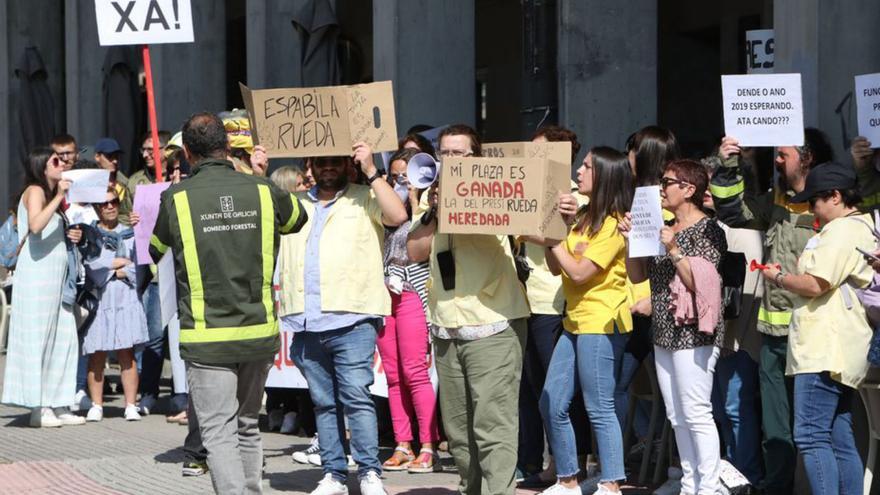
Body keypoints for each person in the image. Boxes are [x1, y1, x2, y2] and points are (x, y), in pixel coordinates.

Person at [149, 112, 307, 494]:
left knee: (218, 433)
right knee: (247, 425)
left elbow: (155, 250)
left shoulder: (176, 198)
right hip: (258, 331)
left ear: (186, 153)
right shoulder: (262, 190)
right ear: (229, 147)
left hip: (208, 336)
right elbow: (298, 218)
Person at [276, 142, 406, 495]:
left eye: (335, 161)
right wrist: (257, 170)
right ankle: (333, 473)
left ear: (347, 164)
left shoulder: (366, 196)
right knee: (324, 402)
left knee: (357, 397)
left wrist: (371, 170)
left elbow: (398, 216)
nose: (329, 167)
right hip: (306, 320)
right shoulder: (294, 204)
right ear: (310, 165)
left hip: (353, 319)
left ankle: (368, 472)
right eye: (322, 161)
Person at [407, 124, 531, 495]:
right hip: (447, 329)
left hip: (493, 325)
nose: (451, 160)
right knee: (459, 433)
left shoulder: (498, 193)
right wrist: (433, 211)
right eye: (445, 153)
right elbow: (415, 251)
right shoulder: (433, 199)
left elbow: (542, 232)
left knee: (492, 428)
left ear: (477, 159)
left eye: (459, 154)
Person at [710, 128, 832, 495]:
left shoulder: (829, 204)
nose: (776, 161)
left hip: (814, 334)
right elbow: (732, 210)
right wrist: (728, 162)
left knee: (817, 429)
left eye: (783, 154)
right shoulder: (774, 202)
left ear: (807, 158)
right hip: (774, 334)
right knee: (776, 426)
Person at [757, 161, 872, 495]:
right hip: (839, 346)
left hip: (824, 347)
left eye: (815, 201)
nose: (811, 209)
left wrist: (777, 276)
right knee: (838, 436)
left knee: (810, 435)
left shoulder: (842, 231)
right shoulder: (859, 228)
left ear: (835, 196)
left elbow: (815, 283)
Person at [621, 159, 727, 495]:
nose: (661, 188)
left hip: (695, 332)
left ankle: (709, 487)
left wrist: (672, 248)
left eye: (668, 182)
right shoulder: (663, 225)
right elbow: (639, 276)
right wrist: (630, 241)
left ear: (689, 190)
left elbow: (700, 283)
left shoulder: (710, 230)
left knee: (696, 411)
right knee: (676, 414)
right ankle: (689, 481)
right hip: (664, 330)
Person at [534, 147, 634, 495]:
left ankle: (612, 483)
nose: (579, 171)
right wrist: (555, 232)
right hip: (575, 321)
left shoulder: (614, 223)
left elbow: (578, 272)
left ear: (605, 175)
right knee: (551, 401)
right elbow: (554, 265)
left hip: (601, 322)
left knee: (599, 404)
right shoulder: (584, 216)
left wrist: (552, 238)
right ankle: (568, 479)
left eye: (587, 167)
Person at [518, 125, 591, 487]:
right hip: (522, 300)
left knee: (558, 392)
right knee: (533, 388)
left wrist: (513, 225)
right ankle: (547, 460)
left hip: (554, 302)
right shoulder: (523, 190)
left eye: (541, 152)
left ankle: (569, 465)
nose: (532, 158)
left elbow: (563, 239)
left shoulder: (578, 199)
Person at [1, 148, 86, 427]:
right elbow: (36, 225)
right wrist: (61, 196)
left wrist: (72, 232)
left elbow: (51, 230)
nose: (62, 164)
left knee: (63, 339)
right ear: (41, 166)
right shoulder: (36, 190)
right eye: (55, 161)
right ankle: (39, 407)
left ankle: (60, 402)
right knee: (41, 339)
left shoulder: (51, 197)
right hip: (37, 278)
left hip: (56, 278)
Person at [376, 147, 441, 474]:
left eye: (408, 176)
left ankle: (428, 445)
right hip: (385, 295)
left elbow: (420, 248)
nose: (402, 183)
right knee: (392, 373)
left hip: (414, 293)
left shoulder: (430, 210)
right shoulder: (381, 211)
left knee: (414, 371)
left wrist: (418, 203)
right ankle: (403, 443)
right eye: (396, 177)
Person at [80, 188, 147, 422]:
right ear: (97, 207)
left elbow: (139, 265)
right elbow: (90, 265)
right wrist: (116, 263)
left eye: (114, 202)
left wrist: (119, 271)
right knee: (97, 352)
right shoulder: (90, 234)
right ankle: (97, 405)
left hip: (126, 297)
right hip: (101, 298)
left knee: (127, 353)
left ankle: (130, 404)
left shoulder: (131, 233)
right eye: (105, 203)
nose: (110, 206)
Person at [130, 130, 171, 416]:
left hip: (171, 266)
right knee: (148, 333)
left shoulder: (178, 179)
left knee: (166, 335)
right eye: (144, 149)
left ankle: (170, 393)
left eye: (153, 149)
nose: (147, 154)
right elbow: (119, 215)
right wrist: (130, 219)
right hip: (148, 267)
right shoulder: (135, 182)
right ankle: (147, 391)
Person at [94, 137, 133, 224]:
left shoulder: (127, 184)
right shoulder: (89, 184)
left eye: (116, 156)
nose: (115, 161)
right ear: (97, 157)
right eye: (110, 156)